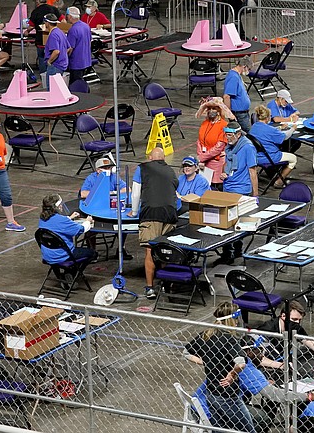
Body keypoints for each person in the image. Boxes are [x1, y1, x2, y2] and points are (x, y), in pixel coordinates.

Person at [184, 302, 255, 433]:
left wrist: (206, 361)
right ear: (231, 319)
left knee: (219, 429)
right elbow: (241, 363)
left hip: (211, 392)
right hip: (228, 395)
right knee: (248, 429)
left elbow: (186, 352)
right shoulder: (229, 339)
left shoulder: (206, 334)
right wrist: (232, 374)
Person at [128, 147, 179, 300]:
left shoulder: (142, 168)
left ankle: (150, 287)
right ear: (164, 158)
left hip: (151, 213)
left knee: (150, 251)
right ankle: (165, 284)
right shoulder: (171, 171)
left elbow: (136, 192)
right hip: (170, 214)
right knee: (165, 250)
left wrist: (134, 211)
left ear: (150, 157)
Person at [218, 121, 257, 265]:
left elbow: (252, 171)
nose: (227, 138)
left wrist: (255, 195)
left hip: (241, 189)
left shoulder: (247, 148)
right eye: (226, 135)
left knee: (233, 223)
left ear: (238, 134)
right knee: (226, 222)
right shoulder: (230, 146)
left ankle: (234, 251)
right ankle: (229, 251)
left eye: (229, 135)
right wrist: (224, 173)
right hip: (228, 187)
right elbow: (226, 164)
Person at [38, 194, 97, 282]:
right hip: (63, 255)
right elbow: (80, 229)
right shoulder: (62, 221)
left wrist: (69, 218)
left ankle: (61, 275)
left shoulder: (42, 219)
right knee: (93, 253)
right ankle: (72, 274)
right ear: (56, 207)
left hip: (48, 255)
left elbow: (57, 224)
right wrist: (88, 221)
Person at [248, 105, 297, 187]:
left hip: (255, 156)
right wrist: (293, 129)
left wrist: (280, 128)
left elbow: (268, 132)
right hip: (269, 157)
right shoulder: (270, 130)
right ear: (267, 118)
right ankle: (279, 181)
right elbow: (285, 137)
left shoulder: (254, 127)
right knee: (293, 159)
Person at [195, 96, 231, 187]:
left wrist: (201, 158)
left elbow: (218, 148)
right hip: (203, 162)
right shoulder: (204, 123)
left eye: (214, 108)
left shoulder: (224, 125)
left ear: (219, 110)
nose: (211, 110)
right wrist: (201, 158)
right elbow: (199, 142)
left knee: (216, 188)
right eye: (209, 108)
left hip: (216, 163)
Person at [29, 0, 59, 73]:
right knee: (54, 56)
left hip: (40, 40)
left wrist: (26, 31)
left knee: (42, 57)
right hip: (53, 39)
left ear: (37, 1)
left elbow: (31, 26)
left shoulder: (35, 11)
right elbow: (62, 20)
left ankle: (43, 74)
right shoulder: (54, 9)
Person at [223, 57, 253, 133]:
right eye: (249, 69)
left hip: (242, 114)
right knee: (248, 135)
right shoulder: (234, 77)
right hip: (239, 115)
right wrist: (229, 113)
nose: (249, 71)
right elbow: (226, 96)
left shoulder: (237, 75)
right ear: (244, 66)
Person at [65, 6, 92, 84]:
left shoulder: (73, 30)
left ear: (70, 16)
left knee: (75, 84)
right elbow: (89, 41)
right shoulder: (86, 26)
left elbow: (70, 48)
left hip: (76, 63)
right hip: (86, 61)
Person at [42, 13, 69, 84]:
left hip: (55, 66)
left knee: (51, 89)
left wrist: (49, 61)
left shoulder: (53, 35)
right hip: (62, 65)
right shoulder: (60, 32)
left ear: (47, 23)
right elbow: (69, 48)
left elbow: (56, 51)